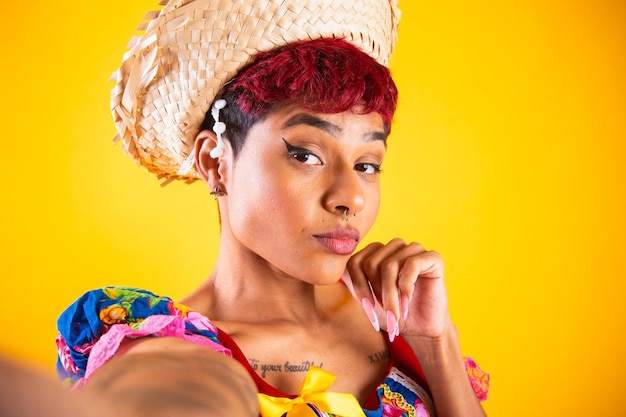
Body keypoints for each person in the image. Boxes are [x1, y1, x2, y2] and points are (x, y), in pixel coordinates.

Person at [55, 1, 490, 416]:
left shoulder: (401, 325)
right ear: (215, 162)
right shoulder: (169, 355)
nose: (351, 197)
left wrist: (436, 344)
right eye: (305, 155)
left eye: (367, 164)